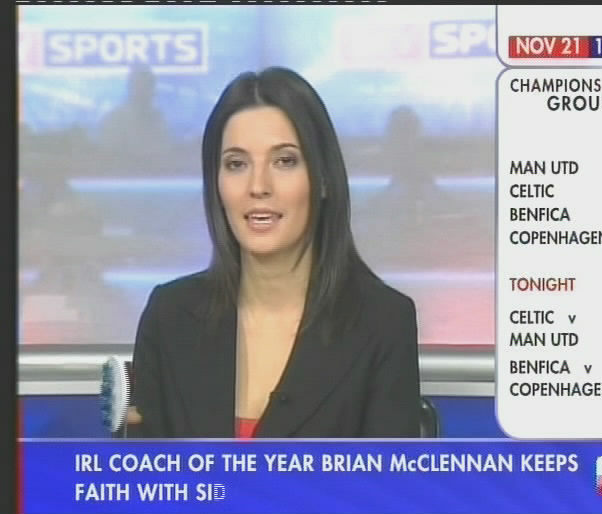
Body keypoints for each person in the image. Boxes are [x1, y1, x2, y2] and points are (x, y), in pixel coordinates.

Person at [129, 67, 421, 438]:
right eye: (236, 164)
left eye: (284, 161)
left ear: (323, 179)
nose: (258, 186)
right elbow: (142, 472)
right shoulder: (170, 316)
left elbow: (385, 477)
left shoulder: (382, 323)